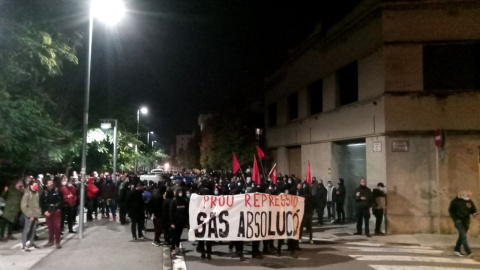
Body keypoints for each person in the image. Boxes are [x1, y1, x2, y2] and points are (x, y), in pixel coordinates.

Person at [449, 190, 478, 257]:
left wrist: (475, 214)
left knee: (462, 236)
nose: (468, 197)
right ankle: (468, 252)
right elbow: (451, 211)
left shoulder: (469, 201)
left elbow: (473, 210)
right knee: (463, 236)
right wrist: (455, 219)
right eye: (467, 196)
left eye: (469, 196)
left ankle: (456, 250)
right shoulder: (455, 201)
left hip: (466, 221)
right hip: (458, 221)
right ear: (462, 195)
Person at [40, 175, 64, 248]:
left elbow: (62, 201)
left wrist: (59, 208)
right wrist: (44, 211)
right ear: (46, 184)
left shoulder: (58, 191)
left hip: (56, 211)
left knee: (57, 227)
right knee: (50, 227)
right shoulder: (44, 193)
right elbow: (41, 203)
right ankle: (50, 241)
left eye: (51, 182)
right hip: (48, 212)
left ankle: (57, 242)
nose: (51, 184)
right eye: (49, 183)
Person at [20, 180, 42, 251]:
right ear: (30, 185)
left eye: (37, 184)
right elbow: (23, 206)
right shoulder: (27, 193)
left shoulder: (36, 193)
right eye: (35, 185)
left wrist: (37, 214)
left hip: (35, 215)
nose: (36, 186)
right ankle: (24, 245)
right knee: (27, 230)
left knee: (33, 230)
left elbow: (37, 205)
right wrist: (30, 215)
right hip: (29, 215)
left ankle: (31, 243)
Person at [170, 187, 188, 258]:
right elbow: (171, 212)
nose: (180, 193)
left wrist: (186, 221)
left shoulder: (184, 201)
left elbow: (186, 211)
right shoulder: (174, 201)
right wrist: (172, 223)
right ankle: (173, 249)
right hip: (175, 222)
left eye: (181, 192)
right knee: (174, 236)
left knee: (178, 236)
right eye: (179, 192)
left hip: (181, 222)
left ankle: (177, 249)